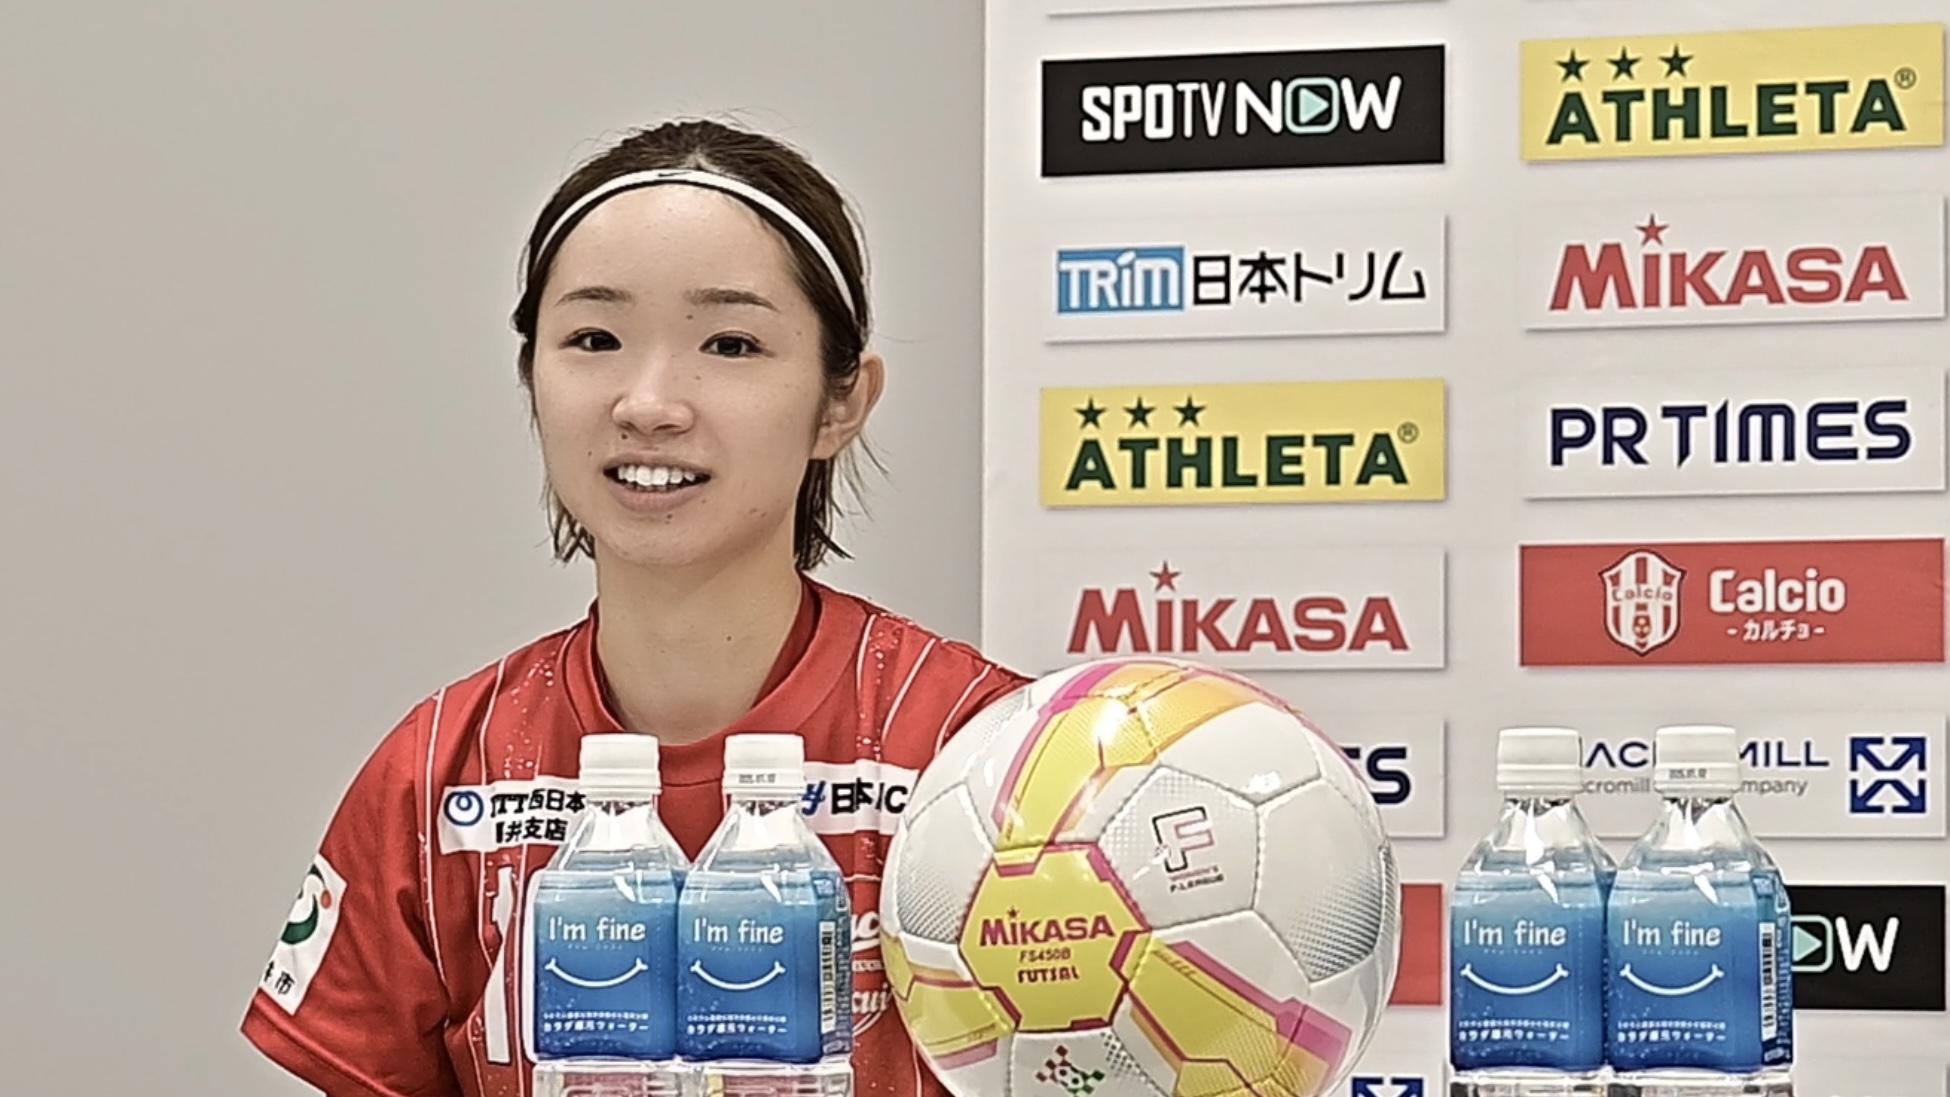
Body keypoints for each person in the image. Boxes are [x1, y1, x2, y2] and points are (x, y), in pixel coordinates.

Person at [240, 118, 1029, 1097]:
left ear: (842, 402)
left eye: (731, 342)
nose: (649, 402)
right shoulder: (440, 775)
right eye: (594, 339)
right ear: (532, 377)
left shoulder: (992, 759)